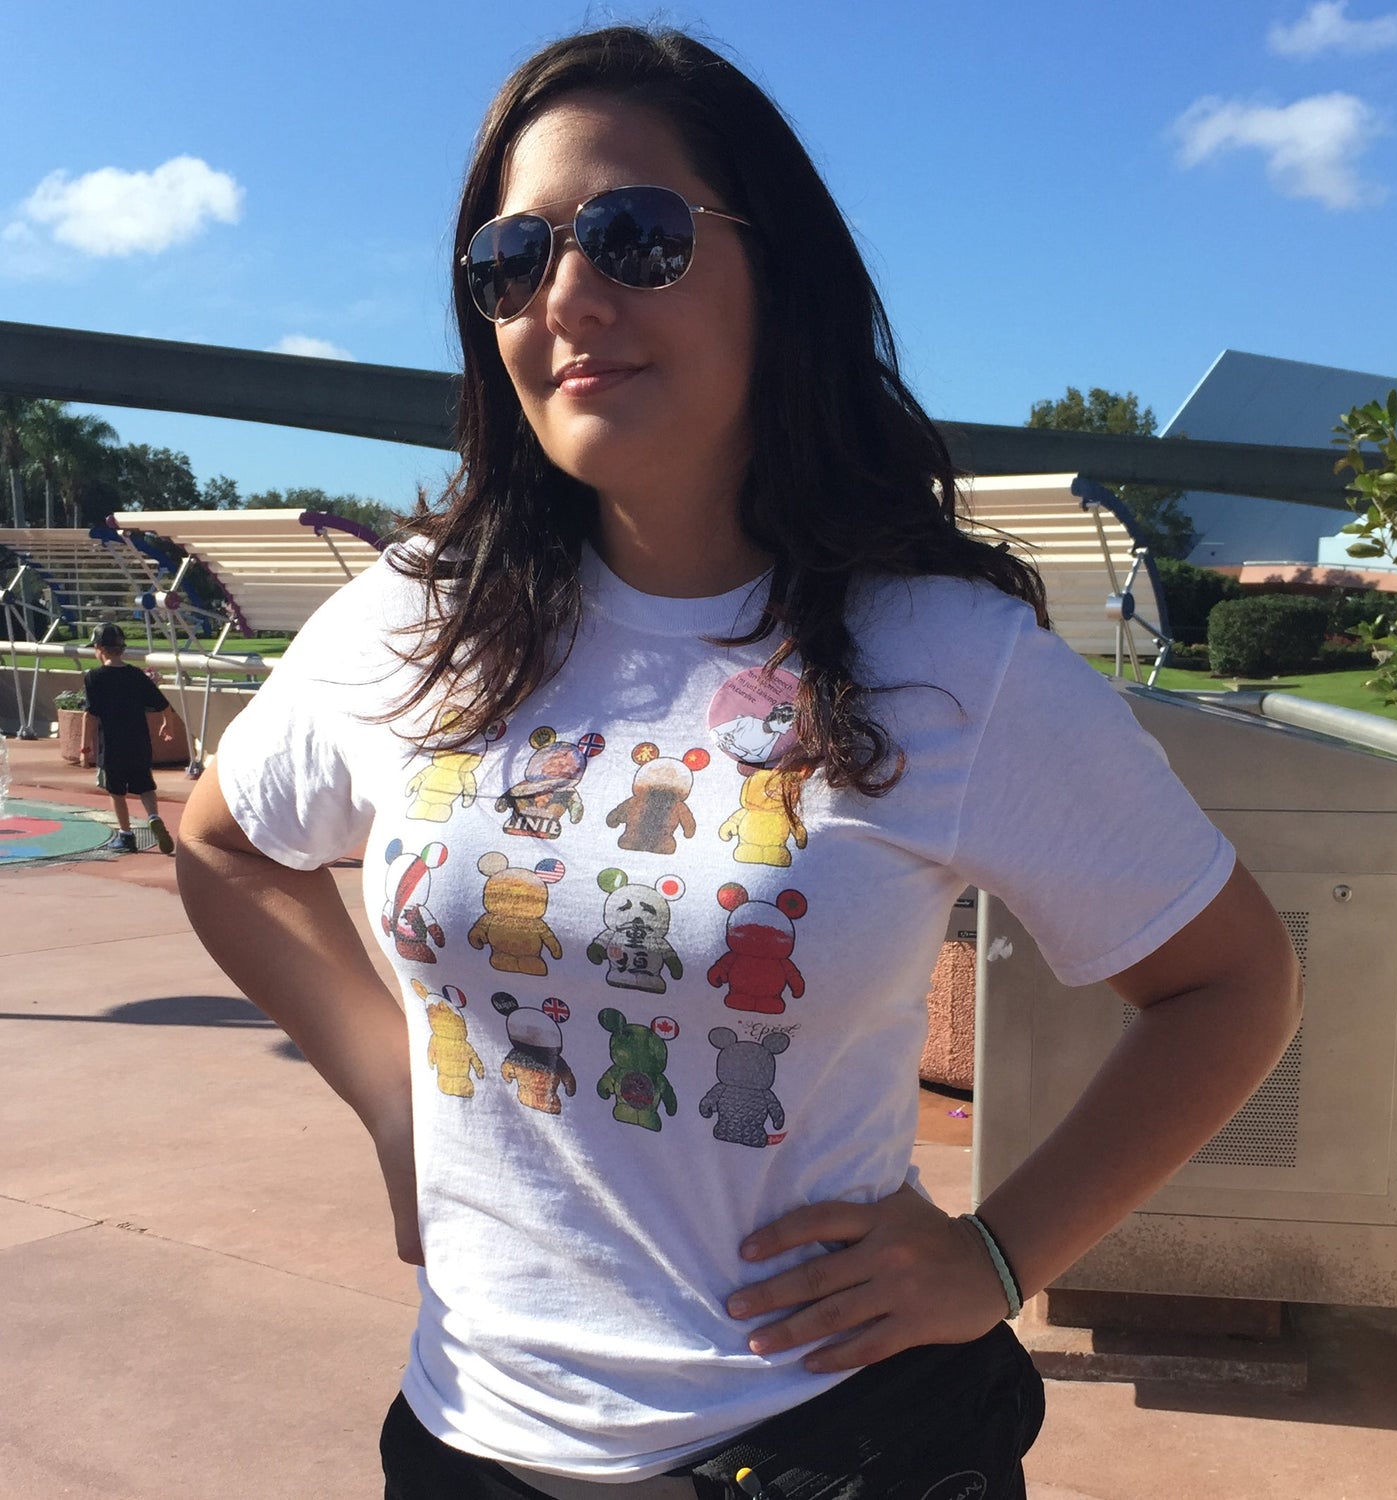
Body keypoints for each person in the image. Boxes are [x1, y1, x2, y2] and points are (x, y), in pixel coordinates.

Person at [177, 26, 1301, 1500]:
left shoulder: (948, 656)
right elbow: (226, 842)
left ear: (780, 273)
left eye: (633, 238)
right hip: (469, 1441)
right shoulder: (414, 617)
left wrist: (999, 1252)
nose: (565, 300)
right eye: (510, 260)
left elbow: (1231, 981)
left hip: (833, 1450)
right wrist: (393, 1098)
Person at [83, 623, 175, 855]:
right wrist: (167, 724)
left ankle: (126, 835)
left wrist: (84, 746)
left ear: (100, 648)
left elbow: (91, 715)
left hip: (112, 745)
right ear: (121, 649)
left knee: (116, 791)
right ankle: (153, 816)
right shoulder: (136, 675)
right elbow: (163, 705)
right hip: (139, 742)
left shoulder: (94, 677)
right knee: (145, 786)